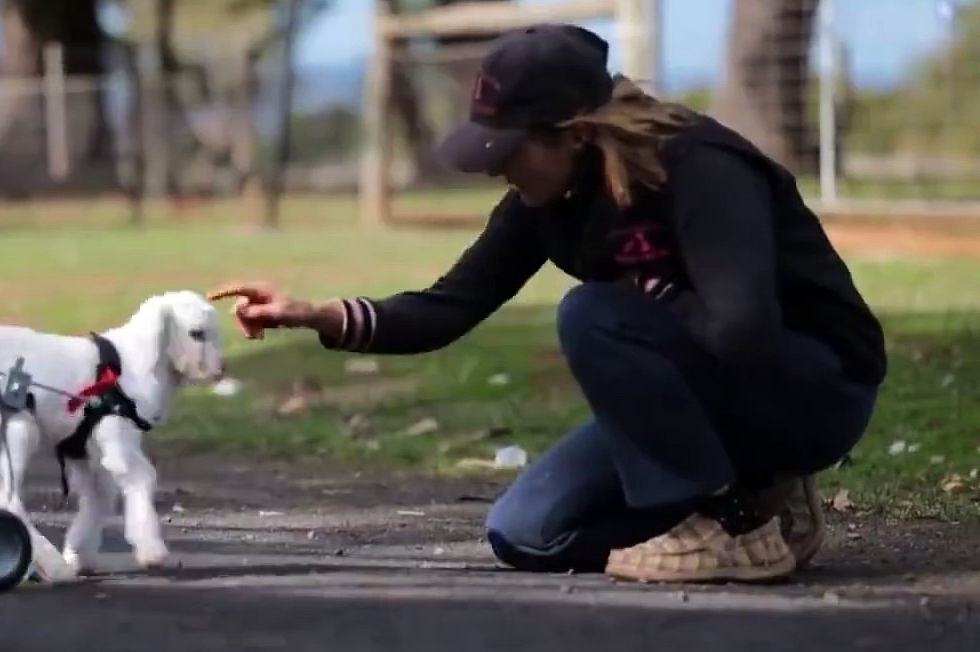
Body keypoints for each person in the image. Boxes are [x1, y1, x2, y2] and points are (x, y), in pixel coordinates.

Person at [206, 24, 885, 584]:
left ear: (577, 133)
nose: (498, 169)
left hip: (812, 391)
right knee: (528, 534)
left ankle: (738, 519)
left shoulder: (702, 168)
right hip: (708, 394)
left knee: (592, 313)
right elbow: (450, 306)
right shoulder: (550, 198)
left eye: (510, 151)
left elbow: (744, 330)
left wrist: (646, 297)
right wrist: (317, 314)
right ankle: (741, 509)